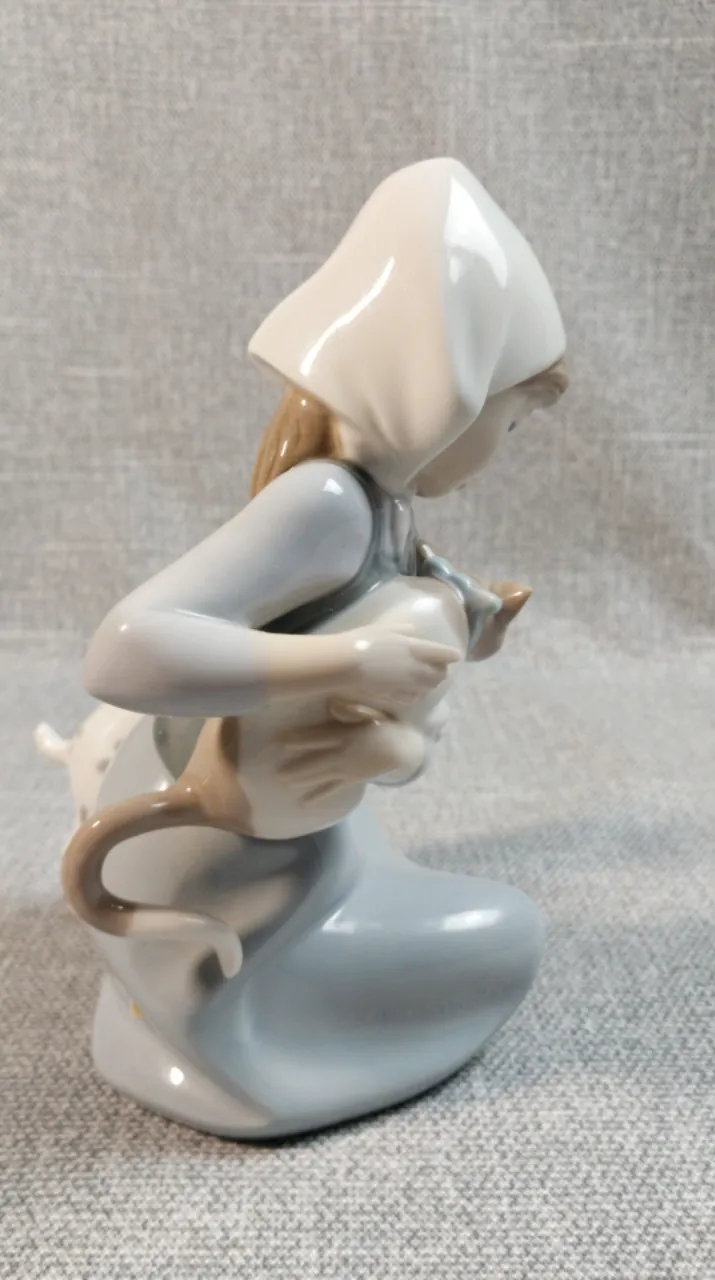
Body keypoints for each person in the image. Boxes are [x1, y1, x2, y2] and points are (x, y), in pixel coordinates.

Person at [62, 158, 569, 1138]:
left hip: (296, 844)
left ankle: (204, 1003)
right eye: (508, 420)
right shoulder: (327, 505)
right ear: (448, 395)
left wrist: (473, 619)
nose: (502, 447)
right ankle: (218, 1033)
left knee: (463, 919)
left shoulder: (376, 505)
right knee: (508, 935)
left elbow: (375, 607)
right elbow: (122, 654)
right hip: (226, 857)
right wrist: (347, 664)